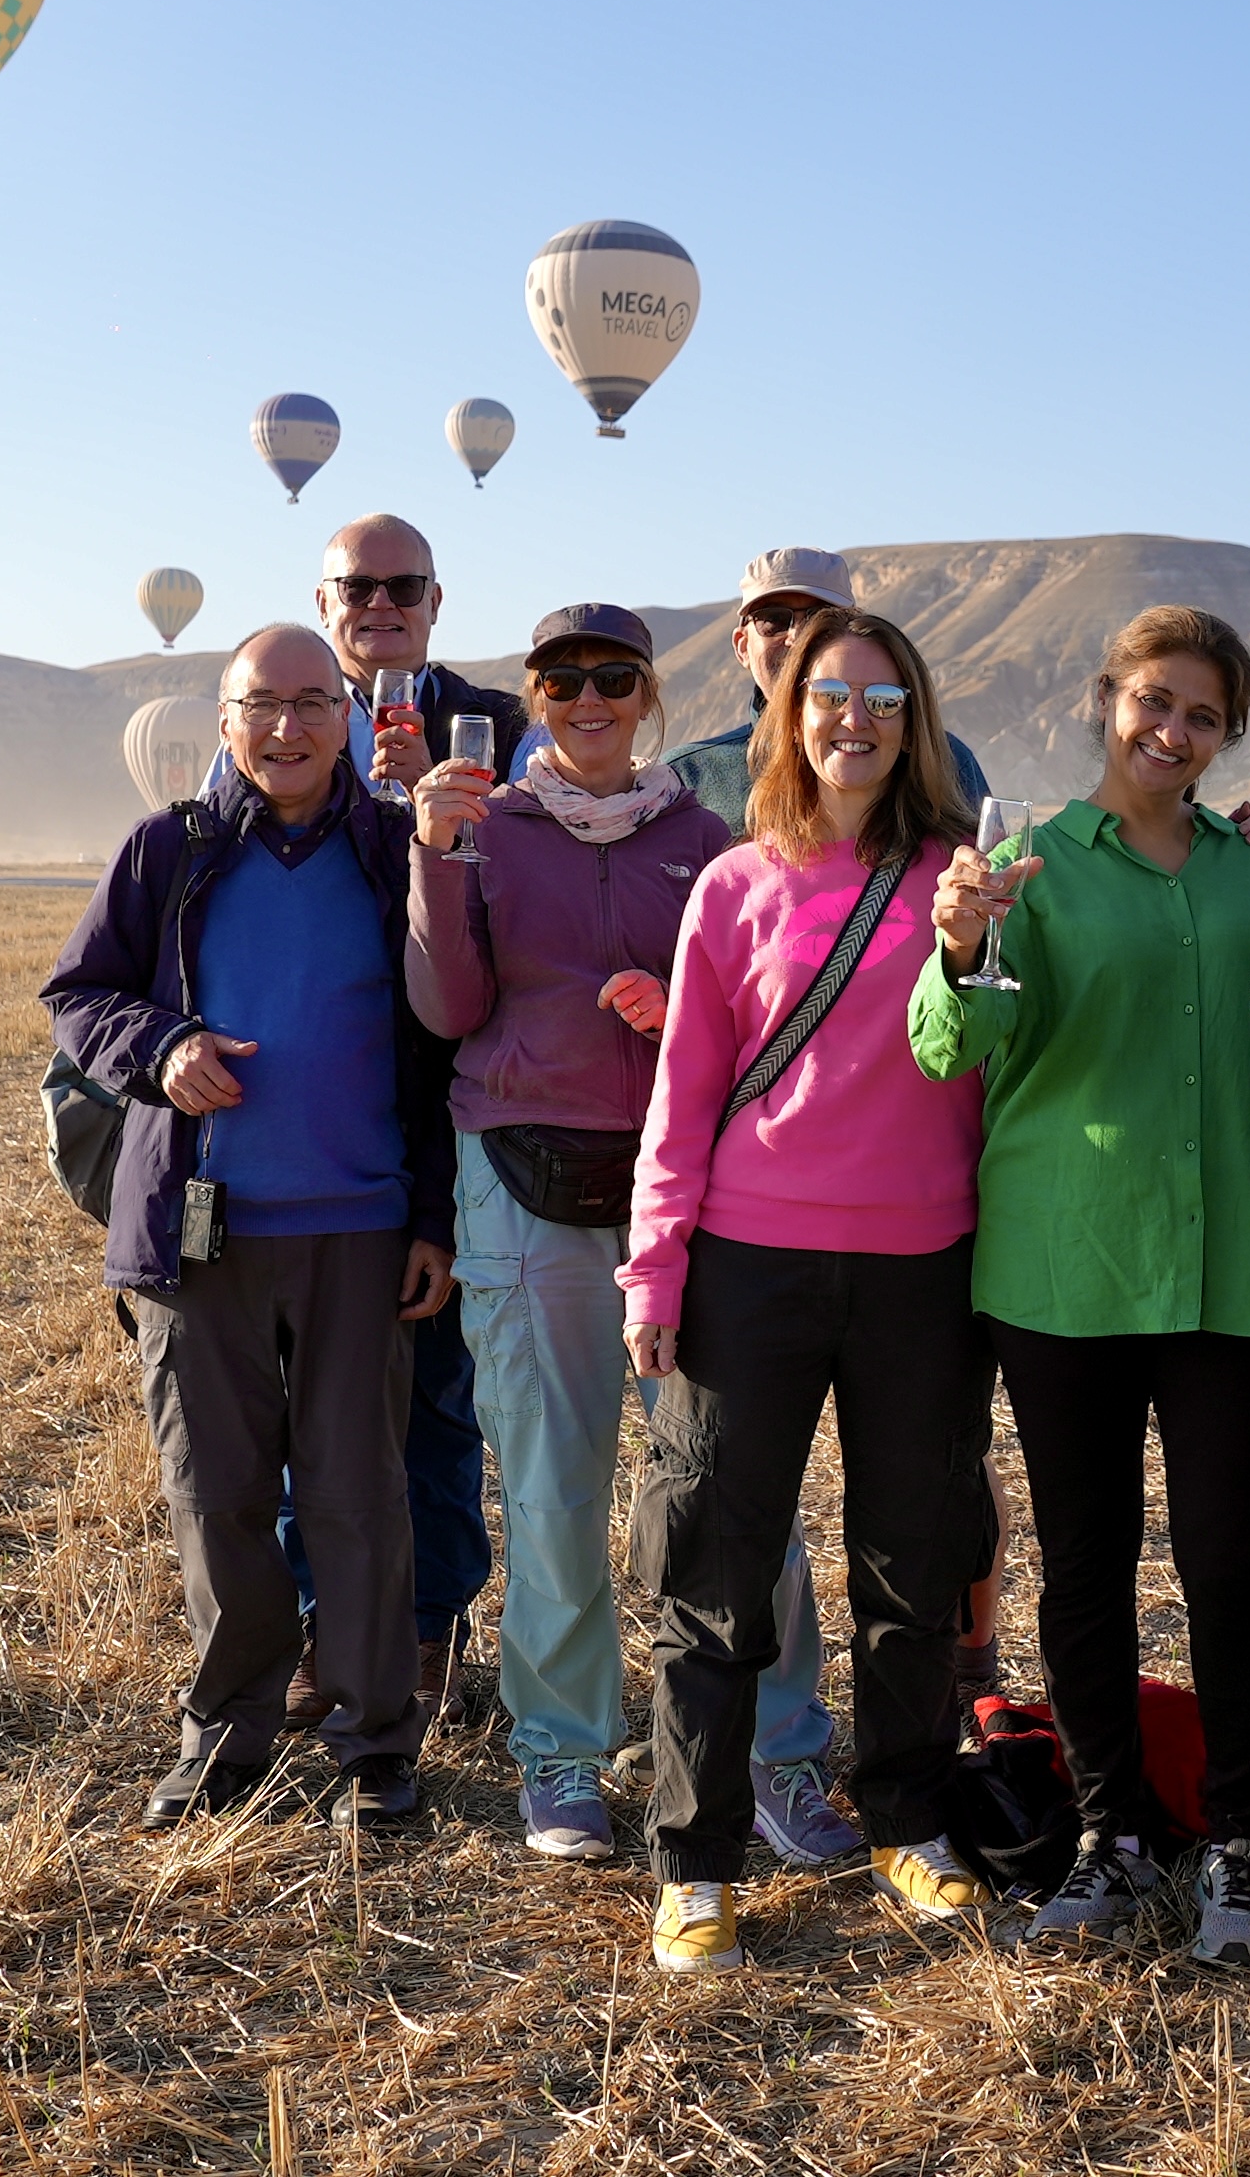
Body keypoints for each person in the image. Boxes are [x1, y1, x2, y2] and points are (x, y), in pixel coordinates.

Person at [912, 607, 1250, 1960]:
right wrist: (962, 946)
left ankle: (1231, 1849)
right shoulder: (1030, 868)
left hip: (1234, 1270)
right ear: (1107, 701)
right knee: (1087, 1565)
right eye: (1154, 702)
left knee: (1231, 1568)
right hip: (1067, 1265)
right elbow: (949, 1047)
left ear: (1229, 738)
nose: (1173, 733)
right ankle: (1105, 1833)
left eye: (1203, 716)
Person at [401, 605, 860, 1873]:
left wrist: (675, 1019)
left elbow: (762, 1018)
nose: (587, 700)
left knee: (733, 1483)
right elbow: (448, 1008)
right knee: (553, 1489)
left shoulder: (705, 838)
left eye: (612, 679)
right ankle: (562, 1747)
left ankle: (773, 1749)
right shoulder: (482, 828)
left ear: (650, 693)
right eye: (560, 682)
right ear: (530, 701)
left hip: (689, 1186)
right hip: (517, 1174)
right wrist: (435, 860)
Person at [621, 609, 1001, 1975]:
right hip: (751, 1265)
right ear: (785, 716)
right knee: (717, 1570)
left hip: (924, 1269)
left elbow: (1005, 1053)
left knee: (913, 1561)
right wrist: (655, 1263)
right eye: (827, 694)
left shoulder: (965, 874)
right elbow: (685, 1093)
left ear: (917, 721)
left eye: (885, 696)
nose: (855, 718)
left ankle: (908, 1818)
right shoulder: (732, 887)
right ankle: (699, 1860)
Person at [41, 625, 457, 1833]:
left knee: (357, 1496)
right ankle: (227, 1741)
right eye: (261, 706)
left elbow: (437, 1053)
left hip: (362, 1230)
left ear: (353, 718)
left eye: (312, 704)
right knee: (215, 1494)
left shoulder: (394, 852)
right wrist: (161, 1048)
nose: (287, 729)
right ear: (221, 722)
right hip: (197, 1234)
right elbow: (77, 996)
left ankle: (377, 1749)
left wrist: (430, 1215)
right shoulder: (166, 850)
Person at [203, 513, 514, 1735]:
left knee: (433, 1395)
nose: (378, 604)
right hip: (312, 1119)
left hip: (450, 1095)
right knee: (303, 1409)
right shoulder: (271, 739)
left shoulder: (503, 724)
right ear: (324, 604)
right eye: (355, 588)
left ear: (435, 601)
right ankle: (314, 1633)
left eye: (403, 586)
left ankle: (426, 1627)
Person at [667, 547, 993, 829]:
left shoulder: (942, 762)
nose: (796, 637)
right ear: (742, 646)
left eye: (818, 618)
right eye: (773, 620)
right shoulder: (689, 777)